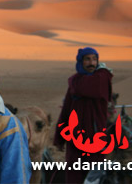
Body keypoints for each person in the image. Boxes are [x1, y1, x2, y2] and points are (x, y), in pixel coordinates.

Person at [53, 47, 113, 184]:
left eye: (94, 59)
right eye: (87, 59)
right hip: (75, 140)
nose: (92, 63)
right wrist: (59, 138)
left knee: (94, 178)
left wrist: (104, 71)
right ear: (81, 61)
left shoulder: (101, 79)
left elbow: (87, 87)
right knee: (74, 177)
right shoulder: (75, 82)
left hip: (95, 139)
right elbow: (66, 111)